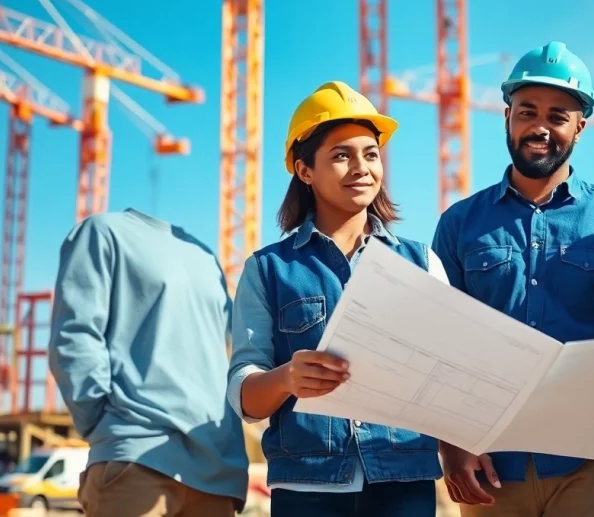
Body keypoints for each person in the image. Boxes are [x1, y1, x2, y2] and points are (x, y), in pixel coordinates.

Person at [431, 41, 594, 517]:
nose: (540, 126)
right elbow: (442, 344)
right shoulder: (458, 225)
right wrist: (451, 444)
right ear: (507, 116)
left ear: (580, 126)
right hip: (491, 458)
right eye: (527, 111)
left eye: (558, 115)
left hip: (593, 456)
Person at [226, 80, 449, 517]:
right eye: (341, 155)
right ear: (304, 170)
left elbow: (450, 371)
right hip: (307, 485)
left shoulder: (420, 261)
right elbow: (245, 396)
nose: (362, 167)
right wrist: (288, 378)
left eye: (370, 153)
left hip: (404, 480)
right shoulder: (267, 270)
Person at [49, 208, 249, 517]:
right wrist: (105, 426)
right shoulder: (104, 232)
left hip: (216, 474)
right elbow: (75, 336)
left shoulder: (206, 258)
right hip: (137, 458)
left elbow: (230, 353)